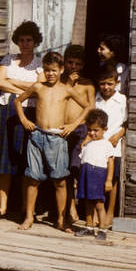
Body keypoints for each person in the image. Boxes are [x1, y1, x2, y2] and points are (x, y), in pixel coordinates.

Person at [14, 51, 90, 231]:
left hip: (57, 138)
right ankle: (29, 217)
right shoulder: (38, 87)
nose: (50, 74)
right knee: (33, 178)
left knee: (60, 181)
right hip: (37, 136)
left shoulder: (66, 89)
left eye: (54, 70)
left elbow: (87, 107)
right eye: (47, 70)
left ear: (61, 70)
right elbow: (18, 101)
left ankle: (62, 220)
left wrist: (73, 124)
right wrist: (24, 120)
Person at [0, 20, 43, 221]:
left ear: (35, 42)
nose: (25, 43)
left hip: (28, 114)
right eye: (21, 40)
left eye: (29, 40)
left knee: (25, 161)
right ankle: (2, 207)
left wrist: (12, 82)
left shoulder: (39, 63)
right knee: (5, 160)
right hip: (5, 112)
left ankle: (24, 208)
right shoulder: (8, 59)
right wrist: (26, 89)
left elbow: (40, 87)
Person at [61, 45, 95, 223]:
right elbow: (58, 102)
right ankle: (68, 208)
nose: (73, 67)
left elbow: (91, 111)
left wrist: (84, 131)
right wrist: (67, 85)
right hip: (61, 129)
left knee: (76, 170)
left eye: (78, 64)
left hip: (79, 129)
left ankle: (83, 209)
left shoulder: (88, 84)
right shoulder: (59, 81)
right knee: (63, 172)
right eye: (70, 63)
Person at [74, 108, 115, 240]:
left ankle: (102, 229)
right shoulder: (86, 145)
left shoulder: (107, 145)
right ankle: (89, 227)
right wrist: (78, 180)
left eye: (96, 130)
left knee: (99, 204)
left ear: (105, 129)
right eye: (90, 130)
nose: (92, 133)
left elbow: (110, 164)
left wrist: (108, 180)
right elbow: (83, 163)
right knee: (88, 203)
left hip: (98, 176)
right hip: (86, 175)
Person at [95, 63, 127, 218]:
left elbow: (127, 123)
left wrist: (119, 134)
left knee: (113, 181)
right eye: (102, 83)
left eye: (110, 83)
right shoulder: (96, 99)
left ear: (117, 83)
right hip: (98, 147)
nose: (106, 87)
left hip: (114, 147)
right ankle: (96, 212)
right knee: (97, 178)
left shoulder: (122, 100)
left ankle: (109, 213)